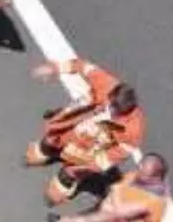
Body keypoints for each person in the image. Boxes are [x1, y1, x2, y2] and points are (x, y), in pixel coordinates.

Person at [25, 58, 145, 206]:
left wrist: (84, 168)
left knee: (65, 180)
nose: (110, 110)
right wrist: (54, 68)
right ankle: (46, 150)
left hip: (89, 148)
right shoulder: (106, 83)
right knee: (49, 141)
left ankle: (66, 180)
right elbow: (82, 66)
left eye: (116, 110)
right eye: (111, 104)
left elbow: (114, 156)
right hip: (71, 125)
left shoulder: (134, 128)